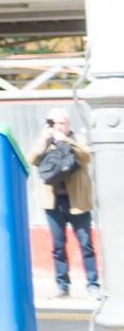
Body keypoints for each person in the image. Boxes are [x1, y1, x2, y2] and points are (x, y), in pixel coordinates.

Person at [32, 110, 99, 298]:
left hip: (77, 201)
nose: (59, 127)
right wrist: (44, 141)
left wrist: (65, 140)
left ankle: (92, 284)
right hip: (54, 203)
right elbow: (32, 159)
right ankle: (62, 285)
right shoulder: (46, 143)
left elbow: (85, 157)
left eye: (62, 123)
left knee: (86, 245)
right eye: (55, 123)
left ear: (69, 124)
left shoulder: (78, 139)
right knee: (58, 246)